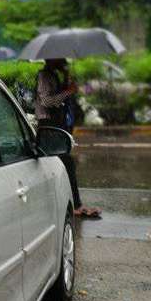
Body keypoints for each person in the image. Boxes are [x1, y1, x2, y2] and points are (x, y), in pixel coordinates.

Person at [35, 58, 101, 218]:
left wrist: (67, 81)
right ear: (52, 59)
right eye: (60, 58)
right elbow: (46, 100)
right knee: (66, 162)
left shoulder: (55, 74)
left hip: (57, 124)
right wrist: (68, 91)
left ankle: (69, 203)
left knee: (59, 164)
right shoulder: (44, 75)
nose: (64, 60)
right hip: (48, 125)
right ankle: (76, 205)